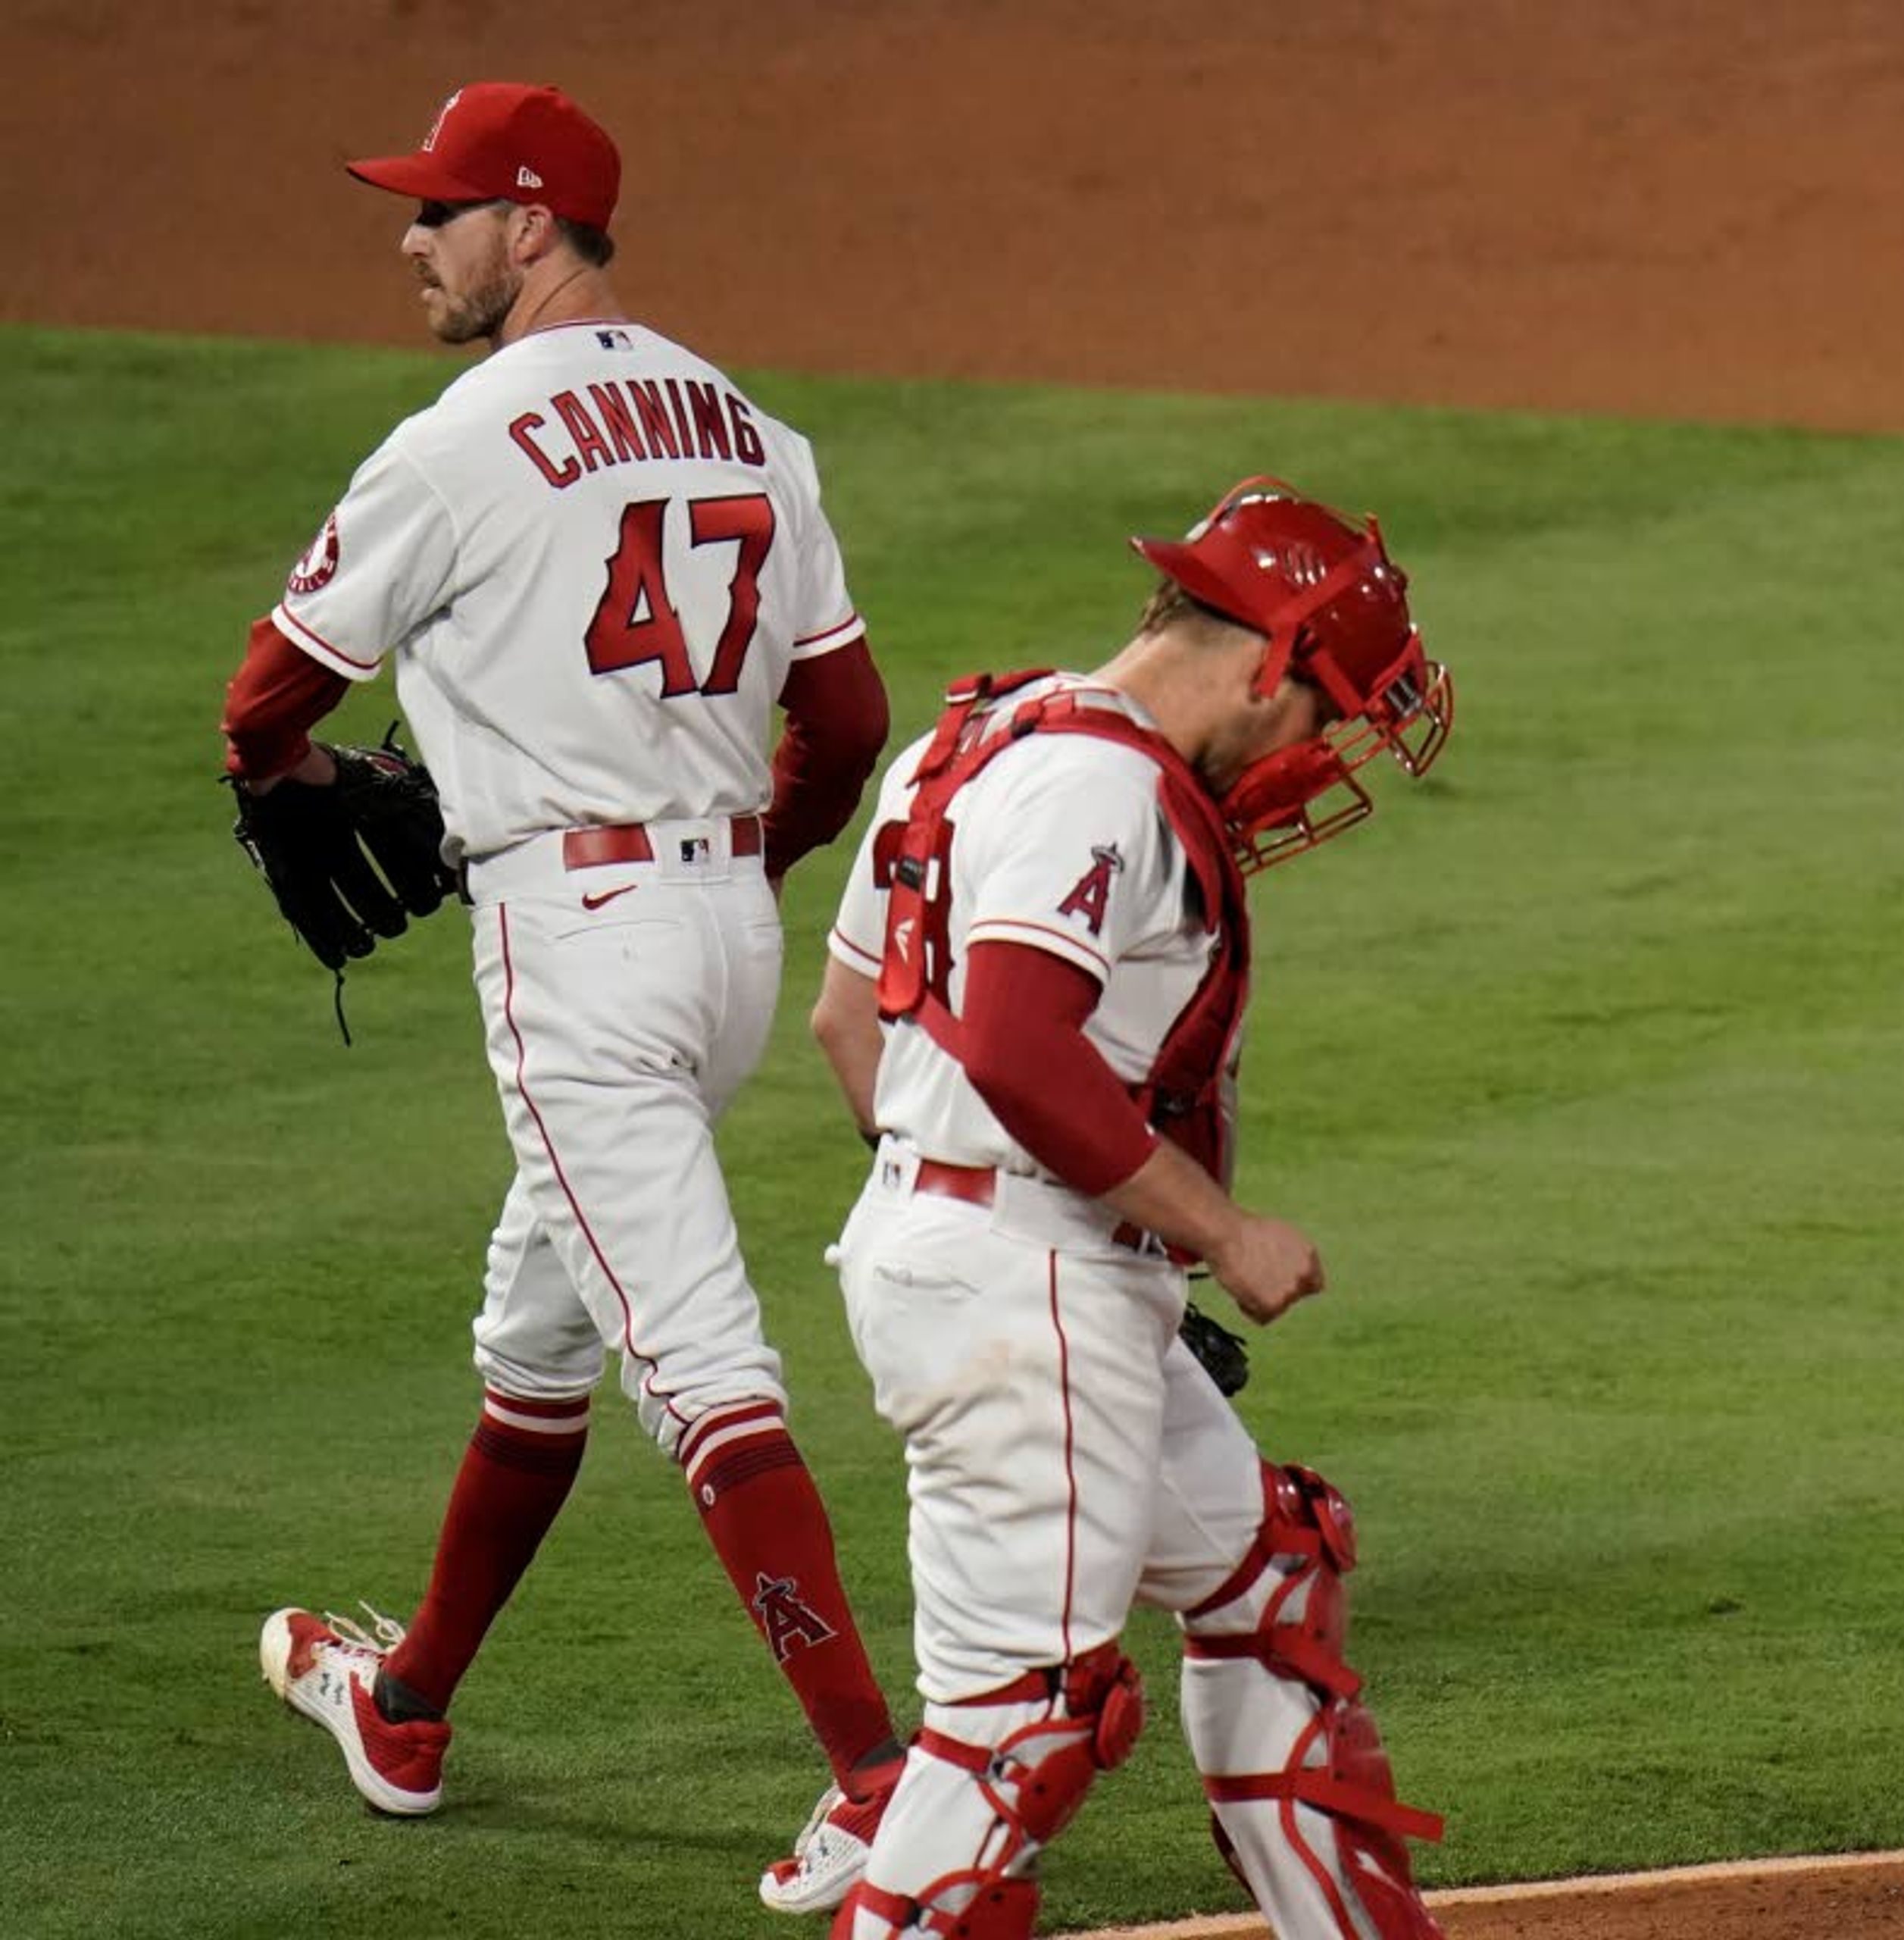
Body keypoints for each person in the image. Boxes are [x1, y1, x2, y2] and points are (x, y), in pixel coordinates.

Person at [223, 81, 910, 1913]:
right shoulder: (758, 431)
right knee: (539, 1337)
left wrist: (291, 792)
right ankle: (409, 1703)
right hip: (725, 946)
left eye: (441, 211)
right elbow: (845, 725)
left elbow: (260, 700)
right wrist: (745, 868)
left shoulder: (456, 443)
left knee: (703, 1368)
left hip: (576, 958)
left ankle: (881, 1779)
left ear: (533, 225)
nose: (411, 238)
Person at [806, 478, 1455, 1940]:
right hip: (1027, 1281)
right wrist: (1207, 1233)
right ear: (1267, 660)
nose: (1318, 751)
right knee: (1018, 1738)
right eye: (1325, 709)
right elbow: (1026, 1046)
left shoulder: (968, 740)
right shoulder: (1102, 787)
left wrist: (977, 1206)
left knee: (1270, 1579)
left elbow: (851, 1022)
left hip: (1012, 1261)